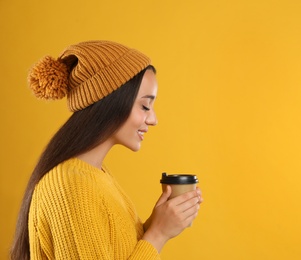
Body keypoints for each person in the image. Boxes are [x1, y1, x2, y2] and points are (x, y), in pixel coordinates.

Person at [10, 40, 203, 260]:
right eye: (145, 106)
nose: (153, 119)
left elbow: (115, 249)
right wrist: (158, 235)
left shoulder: (94, 175)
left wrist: (158, 223)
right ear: (111, 102)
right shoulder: (71, 187)